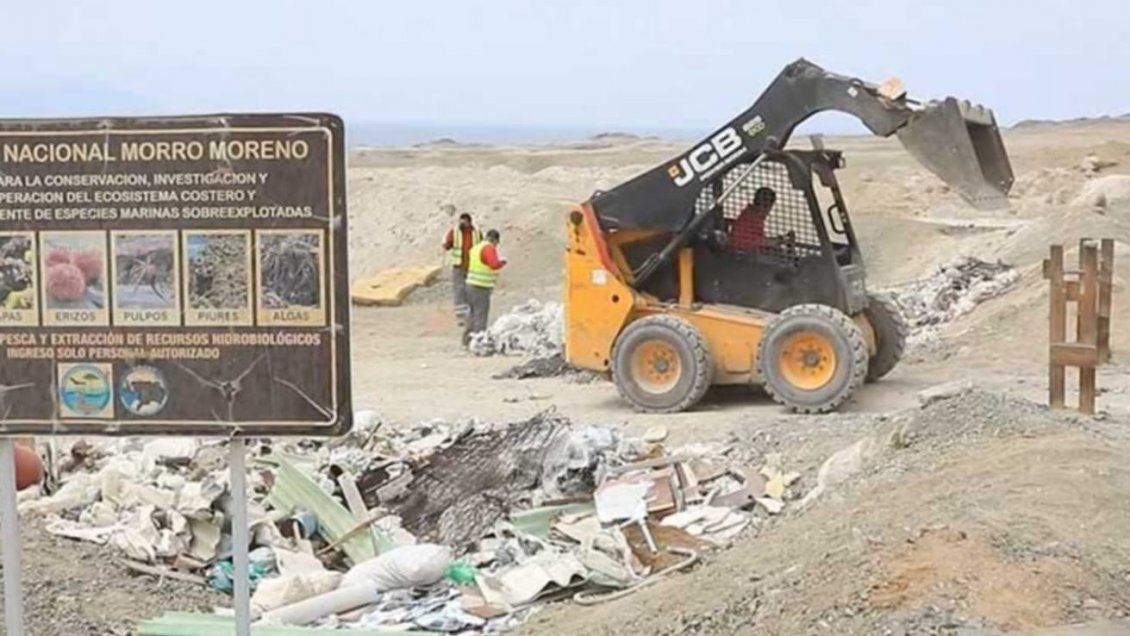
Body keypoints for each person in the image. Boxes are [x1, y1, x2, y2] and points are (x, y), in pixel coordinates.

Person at [463, 229, 507, 347]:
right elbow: (493, 264)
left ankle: (466, 340)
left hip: (470, 284)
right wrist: (501, 262)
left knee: (472, 314)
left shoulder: (476, 248)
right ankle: (478, 342)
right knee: (481, 315)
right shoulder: (489, 248)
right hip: (480, 286)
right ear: (495, 240)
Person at [442, 212, 482, 325]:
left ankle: (472, 313)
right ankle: (461, 316)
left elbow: (482, 247)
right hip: (459, 265)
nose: (461, 223)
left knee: (471, 290)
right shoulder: (455, 232)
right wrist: (445, 244)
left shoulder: (477, 233)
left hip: (473, 266)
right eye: (460, 221)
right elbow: (448, 244)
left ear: (469, 222)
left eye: (464, 221)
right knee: (459, 290)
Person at [726, 187, 783, 251]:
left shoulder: (752, 215)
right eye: (769, 207)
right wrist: (773, 242)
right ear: (766, 206)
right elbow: (747, 241)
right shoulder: (750, 218)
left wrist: (777, 240)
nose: (768, 211)